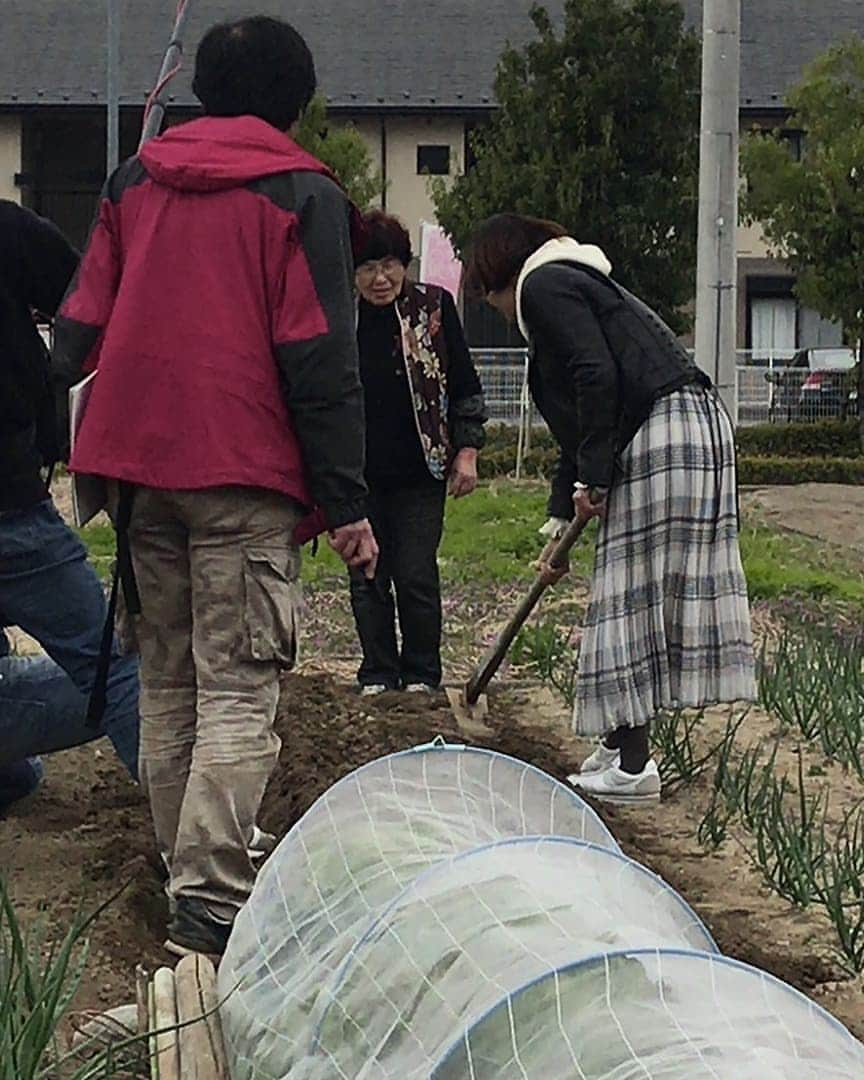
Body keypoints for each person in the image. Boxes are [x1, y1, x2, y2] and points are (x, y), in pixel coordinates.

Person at [52, 16, 377, 957]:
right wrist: (349, 503)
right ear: (296, 104)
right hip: (245, 469)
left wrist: (53, 435)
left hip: (139, 472)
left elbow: (78, 322)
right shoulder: (303, 196)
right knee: (238, 689)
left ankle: (182, 862)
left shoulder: (134, 181)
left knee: (168, 681)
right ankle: (211, 896)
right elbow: (320, 359)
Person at [467, 213, 756, 804]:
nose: (494, 308)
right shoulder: (577, 283)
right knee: (632, 589)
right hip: (685, 428)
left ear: (499, 273)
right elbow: (579, 422)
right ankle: (619, 744)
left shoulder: (542, 286)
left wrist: (593, 480)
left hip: (662, 432)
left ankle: (632, 769)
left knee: (630, 594)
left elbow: (595, 376)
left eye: (485, 293)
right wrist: (560, 520)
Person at [0, 198, 139, 812]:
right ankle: (194, 846)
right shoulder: (6, 231)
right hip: (9, 507)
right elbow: (93, 305)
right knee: (115, 669)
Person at [350, 212, 487, 694]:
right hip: (356, 474)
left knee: (415, 575)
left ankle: (423, 675)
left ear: (404, 264)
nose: (380, 278)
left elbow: (465, 385)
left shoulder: (433, 307)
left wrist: (466, 450)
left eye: (389, 264)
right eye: (367, 267)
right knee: (367, 575)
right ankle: (377, 673)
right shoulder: (338, 318)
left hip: (421, 469)